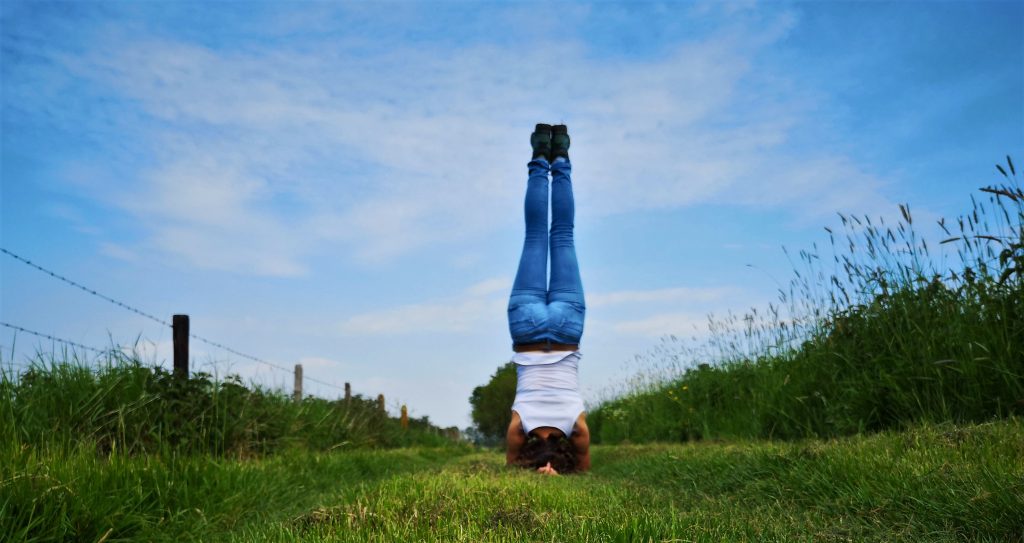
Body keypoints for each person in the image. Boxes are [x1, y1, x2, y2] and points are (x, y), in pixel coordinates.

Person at [505, 123, 590, 476]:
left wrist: (558, 470)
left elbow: (584, 470)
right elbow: (510, 468)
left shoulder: (578, 428)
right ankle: (540, 155)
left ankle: (562, 158)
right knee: (536, 236)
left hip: (567, 326)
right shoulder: (518, 428)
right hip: (527, 329)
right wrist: (539, 471)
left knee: (563, 236)